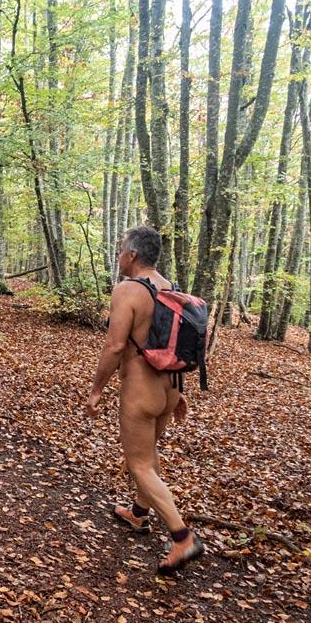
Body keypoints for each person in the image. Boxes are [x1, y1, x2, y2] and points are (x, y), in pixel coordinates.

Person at [85, 225, 205, 575]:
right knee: (149, 454)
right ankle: (138, 514)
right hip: (169, 388)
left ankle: (182, 537)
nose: (119, 255)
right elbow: (174, 341)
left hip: (140, 390)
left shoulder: (128, 290)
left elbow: (115, 346)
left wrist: (96, 389)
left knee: (139, 464)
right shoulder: (171, 288)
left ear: (133, 254)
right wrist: (180, 394)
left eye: (121, 249)